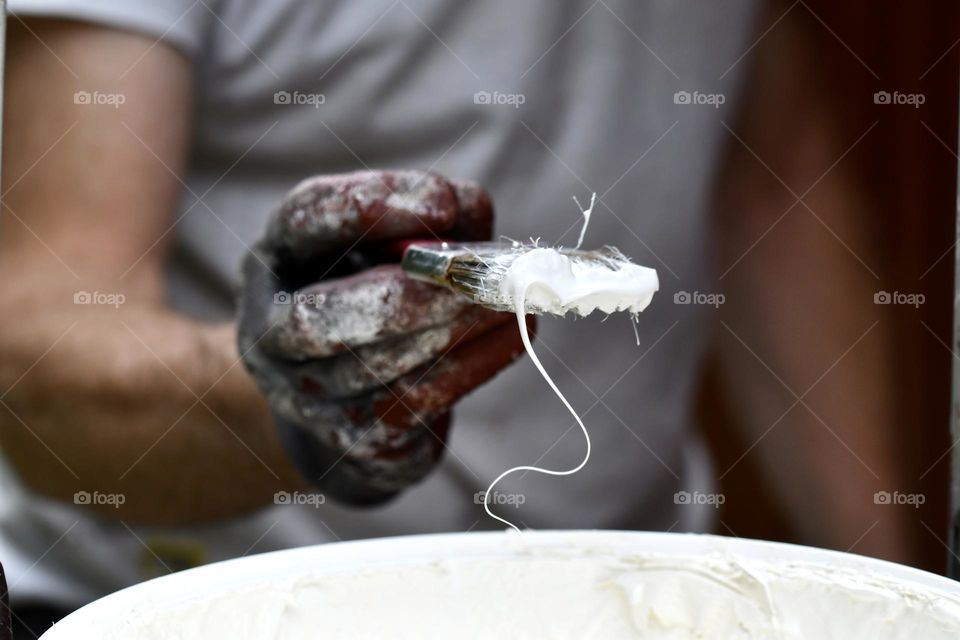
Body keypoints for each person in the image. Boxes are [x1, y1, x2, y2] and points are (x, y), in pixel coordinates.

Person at [0, 0, 915, 635]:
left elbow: (775, 182)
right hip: (197, 605)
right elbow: (41, 363)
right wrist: (297, 396)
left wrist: (897, 593)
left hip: (630, 599)